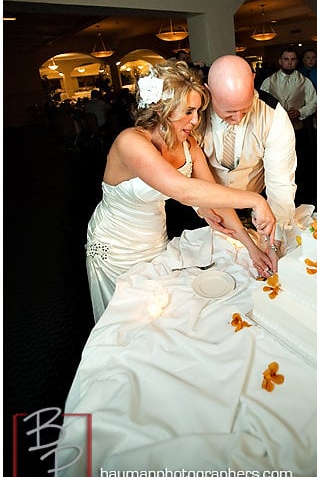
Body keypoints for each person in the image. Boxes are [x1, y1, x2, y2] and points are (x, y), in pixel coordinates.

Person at [85, 59, 277, 323]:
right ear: (163, 108)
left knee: (159, 315)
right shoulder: (129, 142)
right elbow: (183, 191)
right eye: (188, 111)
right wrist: (256, 200)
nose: (196, 120)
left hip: (156, 241)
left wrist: (251, 247)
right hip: (116, 247)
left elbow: (212, 195)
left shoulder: (188, 145)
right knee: (128, 323)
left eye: (197, 111)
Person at [199, 55, 297, 247]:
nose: (237, 118)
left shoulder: (273, 115)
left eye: (244, 110)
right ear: (208, 91)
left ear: (253, 80)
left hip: (254, 211)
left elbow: (281, 184)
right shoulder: (194, 114)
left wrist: (274, 239)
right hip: (205, 210)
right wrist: (201, 207)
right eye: (228, 112)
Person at [260, 47, 317, 194]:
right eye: (286, 59)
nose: (289, 63)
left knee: (300, 164)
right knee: (277, 165)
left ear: (296, 62)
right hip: (274, 132)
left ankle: (300, 194)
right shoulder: (268, 81)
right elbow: (260, 104)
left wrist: (300, 112)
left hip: (298, 130)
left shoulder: (305, 82)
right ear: (280, 61)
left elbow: (313, 102)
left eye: (292, 60)